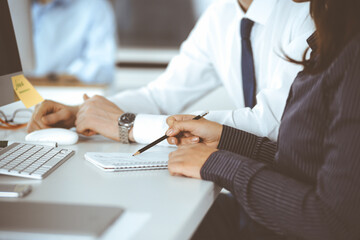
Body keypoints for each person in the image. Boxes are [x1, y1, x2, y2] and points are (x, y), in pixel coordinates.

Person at [165, 0, 360, 238]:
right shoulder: (332, 38)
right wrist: (228, 140)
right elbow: (309, 166)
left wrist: (217, 163)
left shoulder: (352, 57)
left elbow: (334, 221)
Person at [27, 0, 314, 145]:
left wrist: (126, 125)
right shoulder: (221, 14)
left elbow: (272, 125)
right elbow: (161, 96)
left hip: (298, 188)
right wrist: (83, 112)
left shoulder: (310, 15)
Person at [28, 0, 116, 84]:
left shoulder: (94, 5)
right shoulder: (17, 6)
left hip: (64, 92)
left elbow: (103, 68)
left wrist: (57, 77)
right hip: (20, 91)